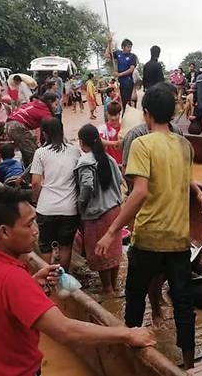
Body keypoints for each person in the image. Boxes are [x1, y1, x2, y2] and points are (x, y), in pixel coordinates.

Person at [0, 186, 156, 376]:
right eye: (28, 224)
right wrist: (127, 334)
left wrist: (31, 284)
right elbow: (65, 330)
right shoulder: (12, 278)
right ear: (4, 232)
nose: (35, 231)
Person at [95, 83, 196, 369]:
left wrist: (112, 231)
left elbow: (139, 192)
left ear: (147, 114)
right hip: (179, 238)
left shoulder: (142, 144)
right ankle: (189, 365)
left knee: (135, 296)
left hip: (149, 236)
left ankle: (133, 357)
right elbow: (182, 186)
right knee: (183, 303)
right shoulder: (185, 146)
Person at [75, 124, 123, 294]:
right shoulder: (108, 159)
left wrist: (81, 204)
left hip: (97, 213)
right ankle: (115, 286)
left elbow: (87, 186)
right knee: (114, 249)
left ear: (81, 143)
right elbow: (120, 181)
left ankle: (108, 289)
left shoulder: (85, 161)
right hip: (115, 210)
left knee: (100, 252)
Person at [30, 118, 80, 270]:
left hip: (46, 208)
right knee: (65, 246)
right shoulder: (74, 151)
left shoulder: (40, 153)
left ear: (44, 134)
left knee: (45, 246)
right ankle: (62, 278)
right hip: (69, 208)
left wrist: (36, 200)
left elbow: (36, 183)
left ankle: (48, 280)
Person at [7, 92, 59, 167]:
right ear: (50, 101)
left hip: (10, 124)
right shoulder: (45, 112)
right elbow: (50, 132)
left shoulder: (36, 104)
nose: (56, 107)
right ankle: (31, 176)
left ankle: (27, 171)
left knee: (26, 152)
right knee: (35, 156)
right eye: (55, 104)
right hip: (18, 126)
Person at [106, 37, 138, 113]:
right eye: (128, 47)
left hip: (128, 82)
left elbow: (131, 69)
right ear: (123, 47)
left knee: (126, 102)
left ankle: (127, 114)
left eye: (131, 47)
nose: (130, 49)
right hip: (121, 83)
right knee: (122, 101)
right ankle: (125, 114)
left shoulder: (132, 56)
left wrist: (119, 74)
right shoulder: (118, 53)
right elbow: (107, 55)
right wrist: (109, 43)